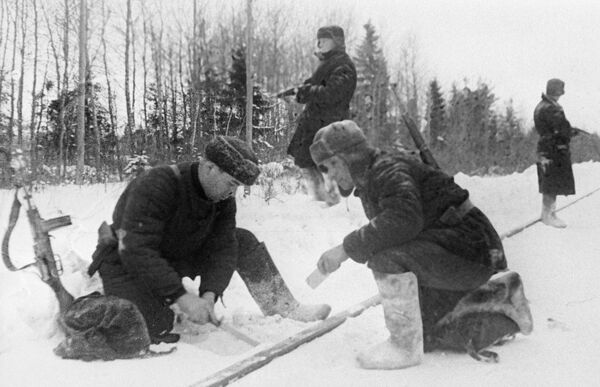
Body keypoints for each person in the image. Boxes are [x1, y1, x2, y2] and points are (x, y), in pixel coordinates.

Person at [309, 121, 533, 369]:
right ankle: (502, 298)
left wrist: (345, 249)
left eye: (332, 165)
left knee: (385, 258)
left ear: (350, 156)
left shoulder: (388, 170)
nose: (330, 174)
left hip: (471, 248)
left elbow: (403, 221)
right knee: (433, 333)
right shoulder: (375, 172)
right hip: (461, 248)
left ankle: (403, 347)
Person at [88, 136, 331, 344]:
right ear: (209, 167)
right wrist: (181, 297)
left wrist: (209, 294)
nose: (232, 193)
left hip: (176, 253)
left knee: (241, 240)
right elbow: (136, 249)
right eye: (231, 183)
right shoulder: (157, 184)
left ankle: (283, 306)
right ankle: (95, 303)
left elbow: (223, 247)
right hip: (127, 260)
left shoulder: (222, 197)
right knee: (152, 328)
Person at [287, 25, 357, 205]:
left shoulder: (343, 64)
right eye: (318, 40)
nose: (319, 43)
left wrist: (307, 91)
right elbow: (312, 86)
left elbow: (333, 93)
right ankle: (321, 199)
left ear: (337, 42)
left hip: (329, 124)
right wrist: (297, 92)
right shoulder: (327, 63)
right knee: (306, 161)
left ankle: (335, 198)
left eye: (324, 40)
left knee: (327, 163)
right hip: (315, 122)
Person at [534, 78, 580, 228]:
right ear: (556, 91)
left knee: (548, 181)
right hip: (555, 149)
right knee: (552, 183)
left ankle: (547, 213)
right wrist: (570, 132)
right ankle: (549, 215)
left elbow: (551, 128)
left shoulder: (541, 106)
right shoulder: (553, 108)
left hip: (544, 148)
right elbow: (561, 129)